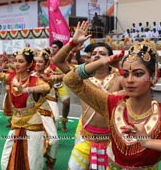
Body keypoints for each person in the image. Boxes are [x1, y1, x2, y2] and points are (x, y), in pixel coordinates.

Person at [63, 31, 161, 168]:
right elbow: (71, 80)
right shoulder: (110, 104)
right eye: (125, 74)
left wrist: (150, 142)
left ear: (153, 78)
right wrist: (104, 61)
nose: (130, 80)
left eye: (138, 74)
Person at [52, 21, 124, 170]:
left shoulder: (119, 78)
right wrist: (72, 43)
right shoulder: (81, 75)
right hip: (86, 138)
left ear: (111, 58)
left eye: (103, 54)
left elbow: (136, 88)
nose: (98, 55)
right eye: (94, 54)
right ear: (89, 59)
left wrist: (121, 67)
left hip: (111, 140)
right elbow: (57, 61)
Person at [0, 47, 51, 170]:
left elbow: (46, 87)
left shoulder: (35, 80)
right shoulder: (11, 78)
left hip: (33, 122)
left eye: (21, 61)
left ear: (29, 64)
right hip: (16, 123)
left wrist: (26, 90)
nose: (16, 64)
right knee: (6, 160)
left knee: (33, 162)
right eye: (16, 61)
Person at [33, 48, 62, 170]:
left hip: (45, 110)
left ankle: (50, 161)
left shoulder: (51, 76)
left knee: (54, 140)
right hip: (30, 114)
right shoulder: (29, 76)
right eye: (36, 61)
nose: (38, 64)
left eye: (41, 62)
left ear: (46, 64)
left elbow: (67, 75)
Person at [50, 40, 71, 132]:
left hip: (61, 83)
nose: (53, 49)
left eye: (55, 47)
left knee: (66, 103)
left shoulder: (64, 58)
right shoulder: (47, 57)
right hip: (49, 84)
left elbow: (68, 70)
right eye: (52, 47)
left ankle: (63, 122)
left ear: (60, 49)